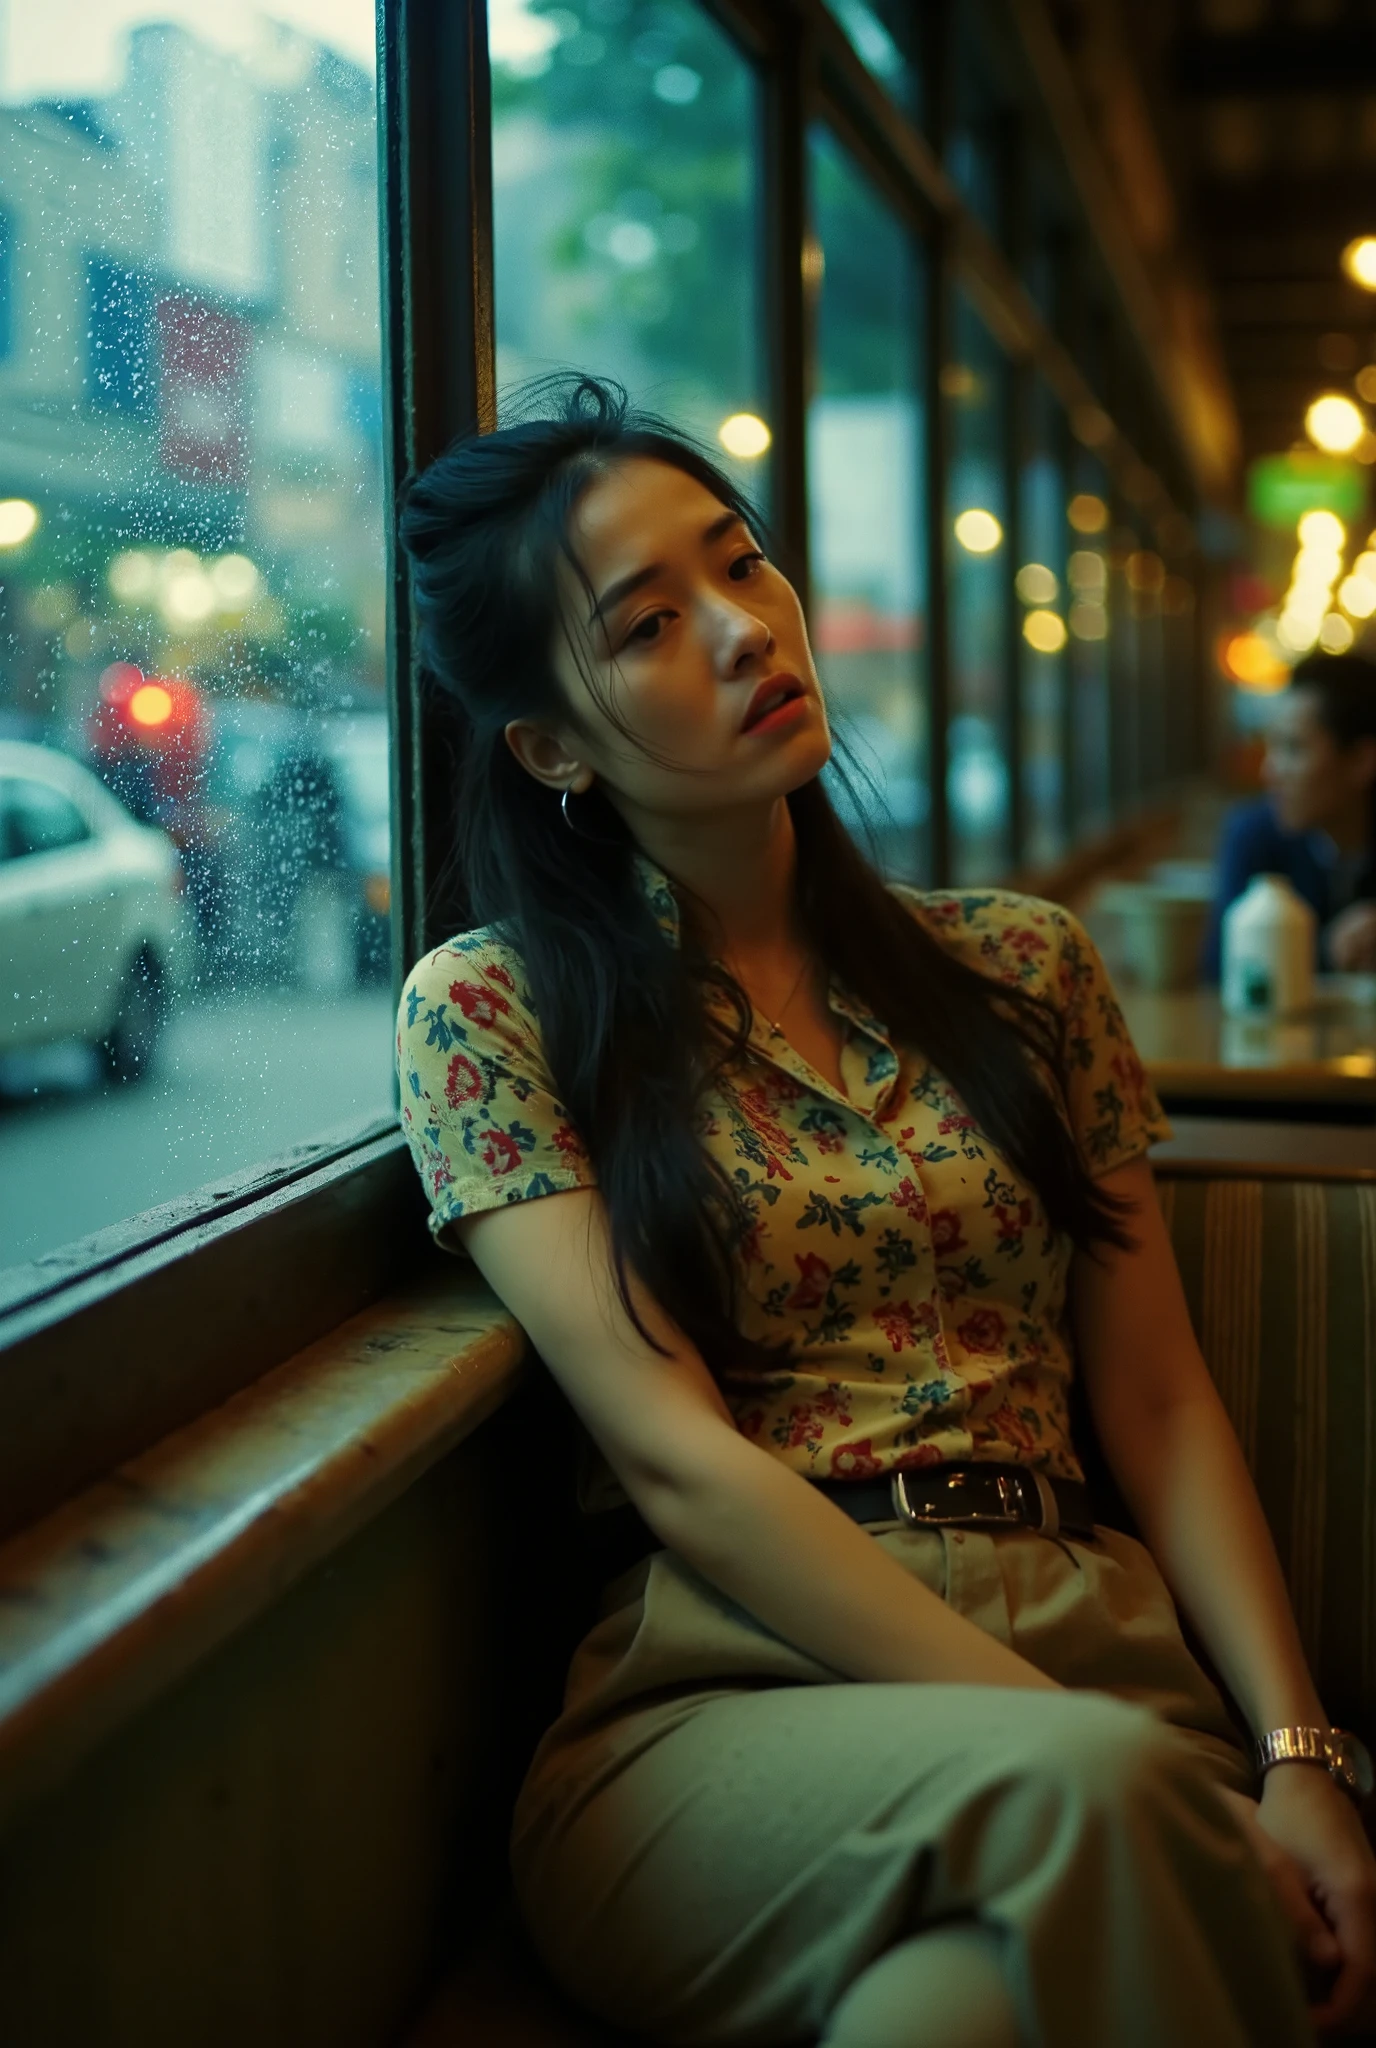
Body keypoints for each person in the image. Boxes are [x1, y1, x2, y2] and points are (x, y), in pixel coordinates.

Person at [395, 378, 1376, 2048]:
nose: (739, 629)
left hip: (1096, 1631)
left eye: (742, 563)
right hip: (727, 1696)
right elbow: (681, 1465)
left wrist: (1295, 1749)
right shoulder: (491, 1012)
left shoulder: (1023, 965)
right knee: (1106, 1825)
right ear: (548, 745)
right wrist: (1084, 1751)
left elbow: (1154, 1394)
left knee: (952, 2017)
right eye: (645, 624)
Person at [1205, 650, 1376, 979]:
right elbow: (1220, 973)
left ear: (1361, 761)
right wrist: (1326, 952)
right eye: (1273, 747)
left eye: (1294, 749)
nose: (1270, 771)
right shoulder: (1254, 836)